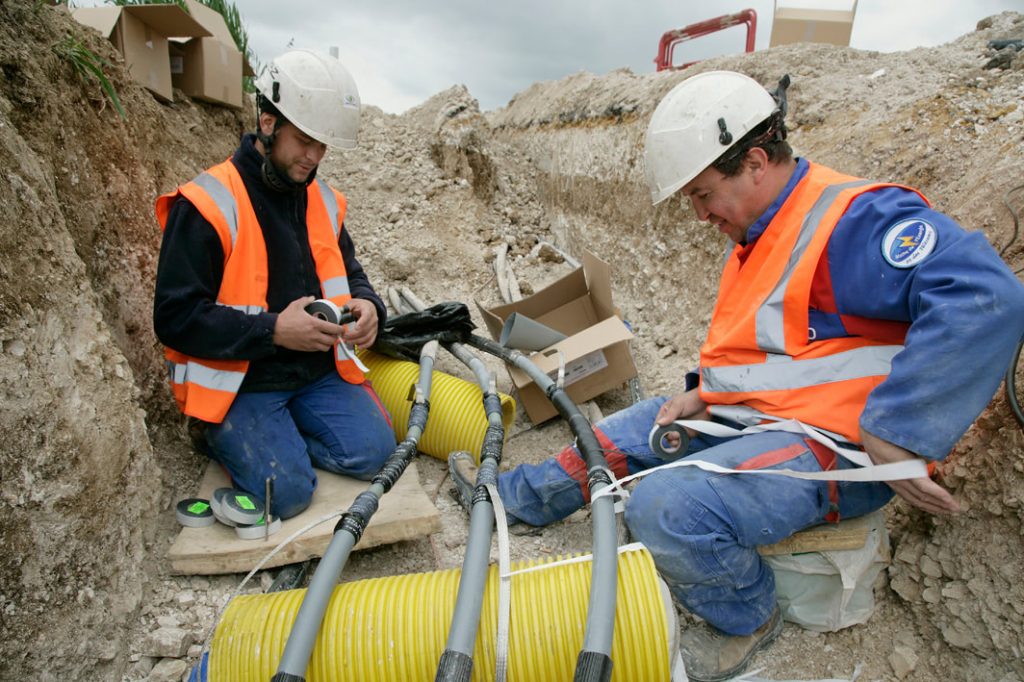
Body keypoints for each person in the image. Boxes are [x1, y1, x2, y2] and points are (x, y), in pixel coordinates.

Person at [448, 71, 1024, 681]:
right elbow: (784, 351)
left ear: (754, 161)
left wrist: (901, 429)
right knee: (627, 431)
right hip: (766, 418)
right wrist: (709, 392)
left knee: (670, 509)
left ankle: (746, 618)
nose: (699, 215)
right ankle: (511, 501)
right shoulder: (763, 229)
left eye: (702, 194)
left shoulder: (854, 220)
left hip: (841, 448)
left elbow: (985, 298)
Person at [154, 50, 396, 520]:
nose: (315, 157)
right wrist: (273, 331)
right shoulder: (205, 203)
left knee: (375, 455)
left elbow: (352, 272)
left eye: (323, 145)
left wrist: (369, 305)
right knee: (286, 495)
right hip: (241, 381)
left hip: (315, 374)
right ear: (268, 122)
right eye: (305, 141)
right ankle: (216, 433)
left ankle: (280, 440)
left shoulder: (321, 200)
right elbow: (174, 317)